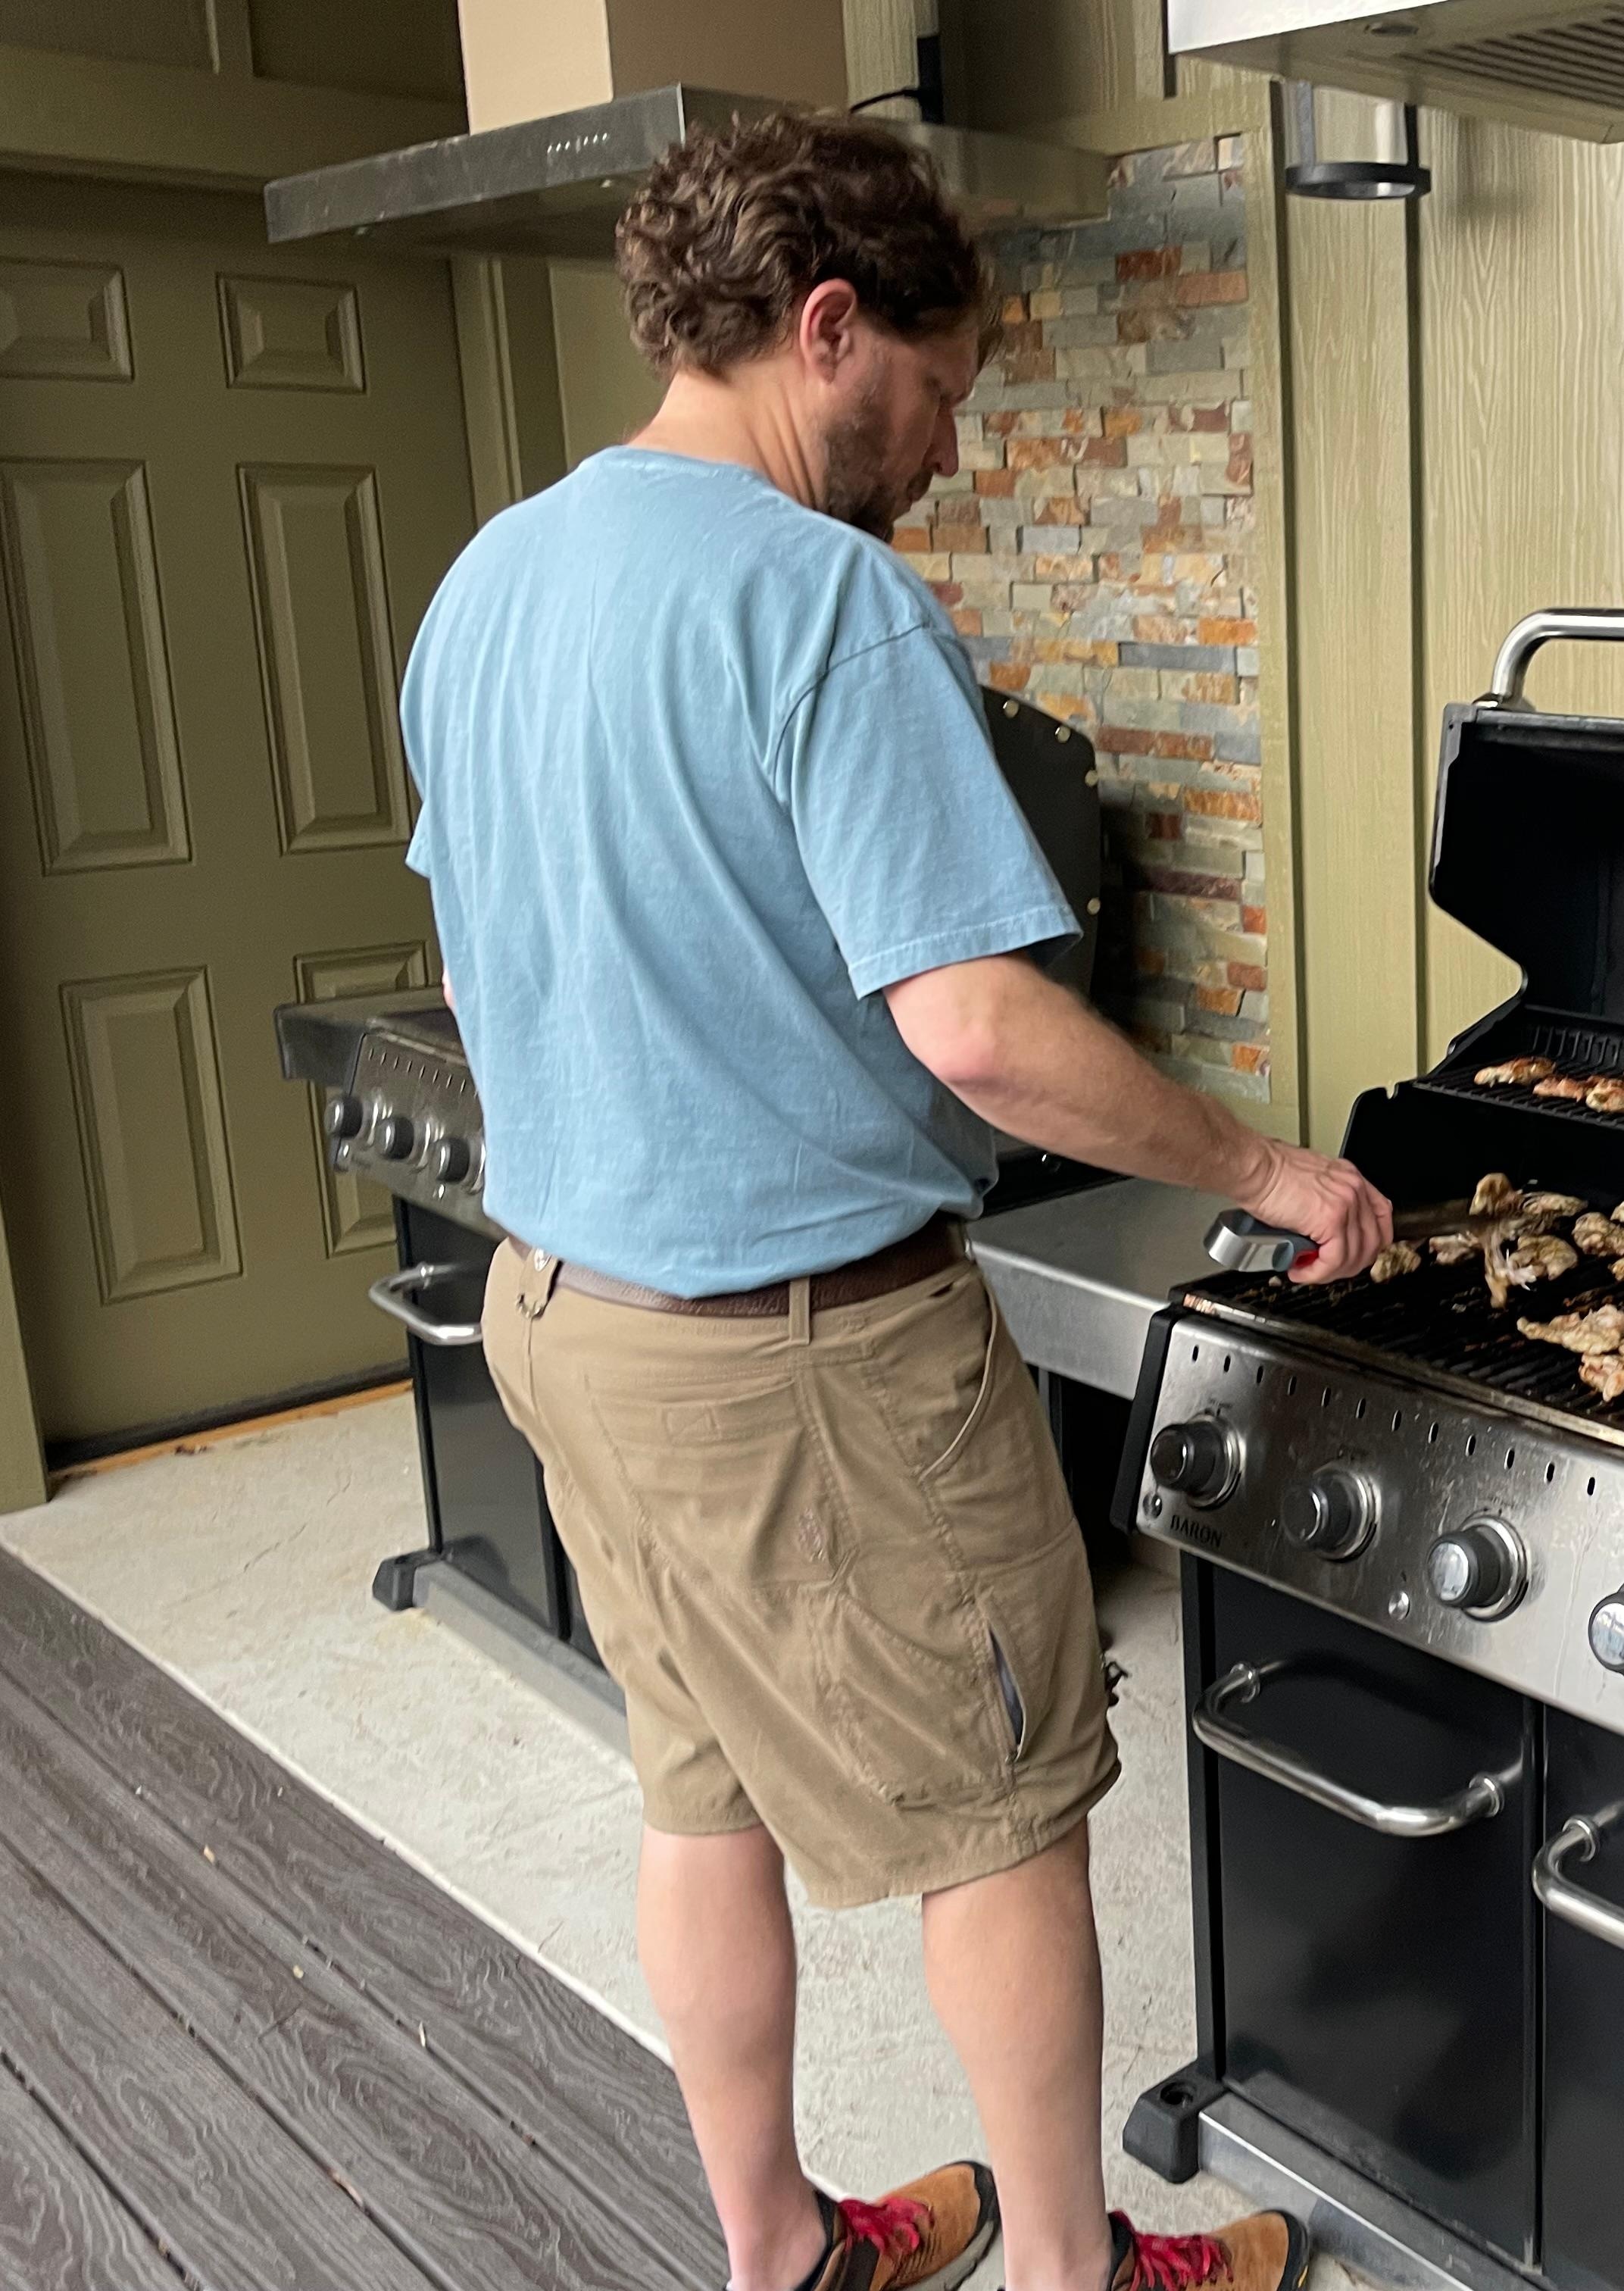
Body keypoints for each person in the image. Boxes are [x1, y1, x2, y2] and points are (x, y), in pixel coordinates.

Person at [398, 110, 1390, 2291]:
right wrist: (1266, 1166)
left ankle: (778, 2249)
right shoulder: (823, 596)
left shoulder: (494, 574)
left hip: (568, 1307)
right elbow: (976, 1030)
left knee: (701, 1786)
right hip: (802, 1353)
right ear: (827, 330)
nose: (942, 451)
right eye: (939, 394)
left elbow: (478, 970)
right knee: (1011, 1826)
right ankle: (1067, 2273)